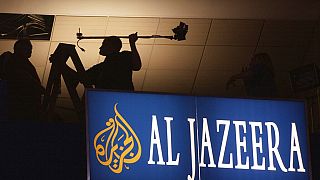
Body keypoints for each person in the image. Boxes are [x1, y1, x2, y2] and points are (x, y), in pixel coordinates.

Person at [1, 39, 45, 121]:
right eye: (28, 48)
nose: (30, 51)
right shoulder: (13, 60)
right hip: (20, 106)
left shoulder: (23, 62)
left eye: (31, 49)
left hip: (26, 106)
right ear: (19, 49)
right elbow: (23, 76)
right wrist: (39, 87)